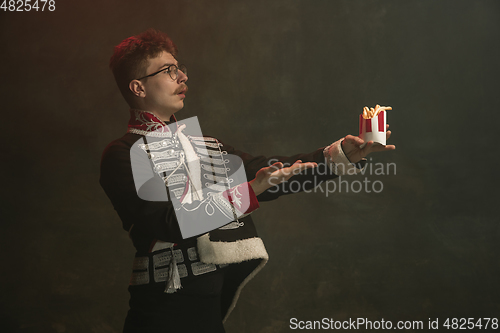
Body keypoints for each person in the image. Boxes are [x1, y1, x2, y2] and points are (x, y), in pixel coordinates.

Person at [100, 28, 395, 333]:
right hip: (162, 310)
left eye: (180, 69)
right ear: (138, 87)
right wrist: (250, 190)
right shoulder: (122, 154)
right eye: (168, 71)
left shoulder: (203, 146)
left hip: (208, 308)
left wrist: (340, 155)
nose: (182, 78)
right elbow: (170, 222)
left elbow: (269, 170)